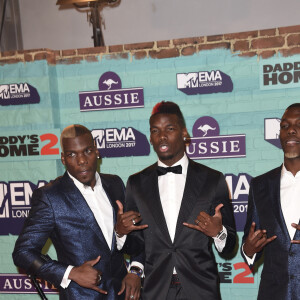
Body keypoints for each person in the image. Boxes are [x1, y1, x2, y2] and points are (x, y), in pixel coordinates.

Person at [115, 101, 236, 300]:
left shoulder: (213, 180)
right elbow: (135, 247)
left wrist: (218, 233)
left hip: (201, 289)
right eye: (155, 131)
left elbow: (230, 246)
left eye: (169, 129)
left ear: (184, 133)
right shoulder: (136, 183)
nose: (162, 136)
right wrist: (121, 232)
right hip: (155, 289)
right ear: (150, 138)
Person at [13, 124, 142, 300]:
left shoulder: (115, 184)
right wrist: (71, 272)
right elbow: (23, 252)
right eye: (72, 154)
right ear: (63, 159)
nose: (81, 160)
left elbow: (135, 239)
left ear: (97, 151)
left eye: (87, 151)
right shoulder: (50, 197)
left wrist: (135, 270)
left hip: (123, 294)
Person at [242, 103, 300, 300]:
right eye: (285, 126)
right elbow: (250, 243)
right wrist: (248, 250)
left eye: (299, 124)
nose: (291, 130)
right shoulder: (260, 185)